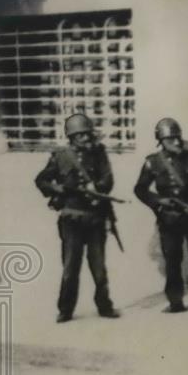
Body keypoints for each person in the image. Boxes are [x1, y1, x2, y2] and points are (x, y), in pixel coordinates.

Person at [34, 113, 121, 323]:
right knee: (70, 268)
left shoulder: (98, 153)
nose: (85, 138)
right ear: (71, 137)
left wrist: (96, 188)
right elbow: (41, 180)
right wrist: (61, 189)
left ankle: (104, 305)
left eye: (87, 134)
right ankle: (65, 309)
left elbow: (108, 179)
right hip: (72, 220)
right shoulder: (61, 156)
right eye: (80, 135)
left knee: (99, 268)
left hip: (95, 218)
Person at [134, 118, 188, 314]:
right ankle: (175, 303)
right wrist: (159, 202)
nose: (177, 142)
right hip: (169, 219)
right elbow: (140, 189)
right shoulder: (152, 162)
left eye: (178, 138)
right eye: (171, 139)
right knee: (172, 260)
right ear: (161, 141)